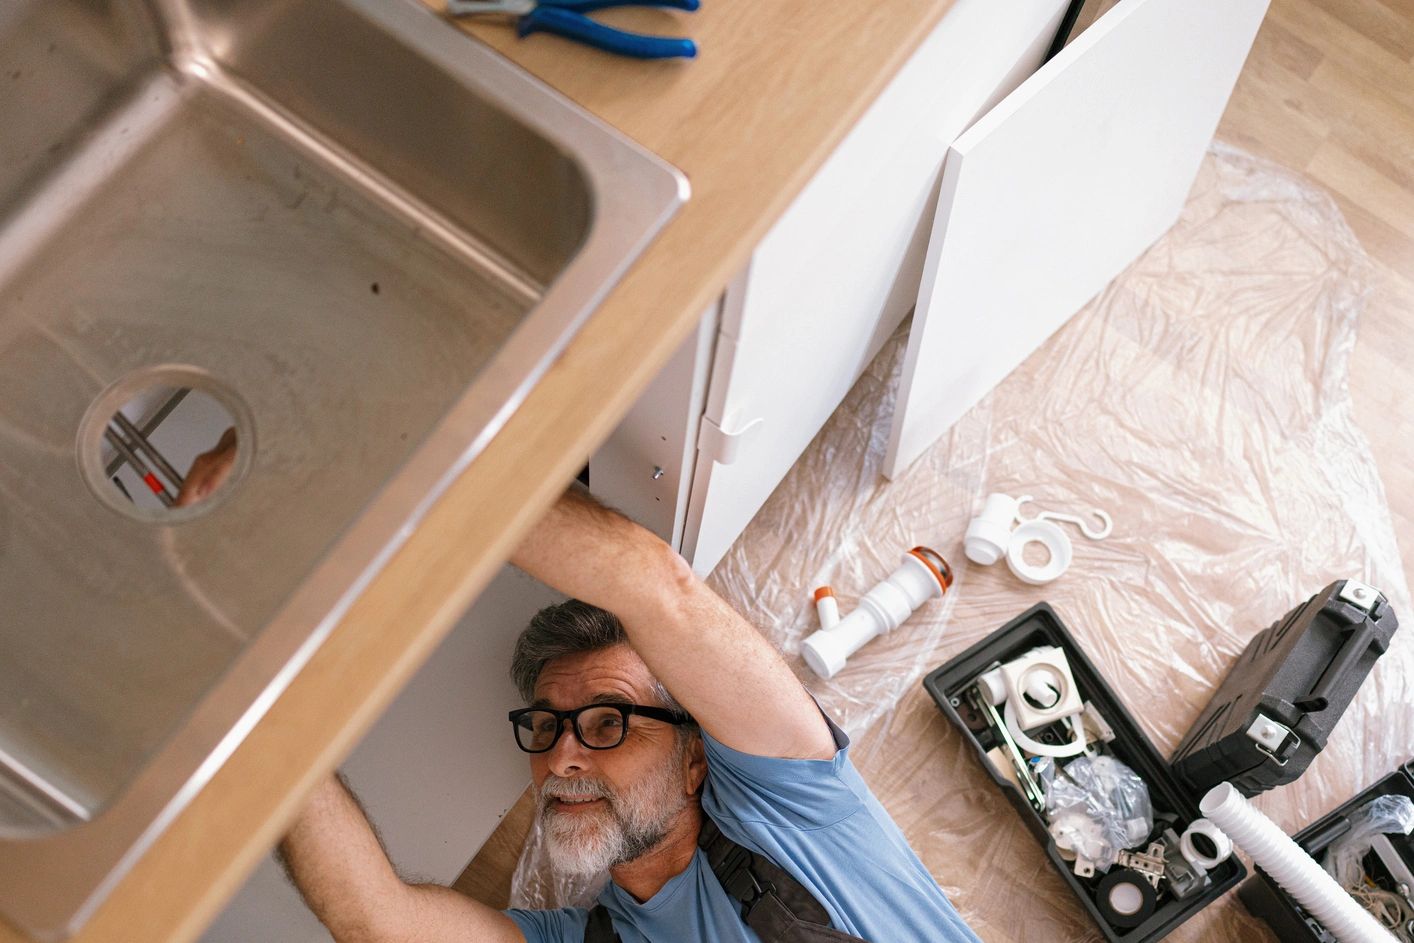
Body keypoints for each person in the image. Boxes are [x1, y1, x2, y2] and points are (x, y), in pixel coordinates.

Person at [279, 487, 980, 942]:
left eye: (608, 721)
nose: (561, 757)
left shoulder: (794, 802)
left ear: (694, 756)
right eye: (547, 726)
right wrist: (260, 708)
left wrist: (380, 472)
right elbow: (375, 918)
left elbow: (656, 589)